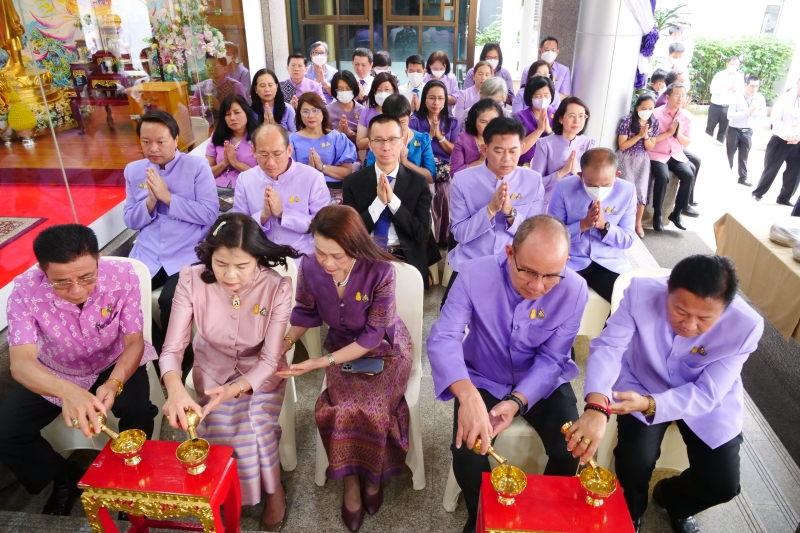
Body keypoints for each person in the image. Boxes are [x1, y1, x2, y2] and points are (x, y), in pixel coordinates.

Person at [567, 254, 763, 533]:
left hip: (705, 400)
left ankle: (673, 499)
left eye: (705, 318)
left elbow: (709, 393)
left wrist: (651, 405)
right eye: (680, 311)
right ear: (668, 287)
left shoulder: (746, 326)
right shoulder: (640, 293)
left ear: (726, 307)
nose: (690, 325)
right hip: (643, 382)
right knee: (634, 462)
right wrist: (597, 406)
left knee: (723, 484)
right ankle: (630, 513)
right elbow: (609, 347)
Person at [429, 215, 587, 533]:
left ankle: (545, 515)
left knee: (569, 449)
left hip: (543, 381)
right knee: (468, 453)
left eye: (550, 276)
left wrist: (517, 401)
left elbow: (553, 358)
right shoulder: (474, 274)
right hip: (484, 374)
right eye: (527, 271)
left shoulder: (575, 289)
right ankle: (480, 518)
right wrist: (466, 393)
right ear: (510, 252)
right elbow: (444, 336)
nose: (537, 286)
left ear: (565, 263)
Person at [0, 224, 157, 516]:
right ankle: (66, 477)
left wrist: (114, 384)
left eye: (86, 277)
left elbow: (134, 342)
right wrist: (68, 392)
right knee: (8, 433)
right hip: (56, 371)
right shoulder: (25, 290)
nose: (76, 290)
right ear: (43, 271)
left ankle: (132, 480)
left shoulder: (123, 277)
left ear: (98, 259)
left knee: (137, 412)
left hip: (114, 362)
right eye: (61, 281)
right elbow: (21, 364)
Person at [275, 205, 412, 532]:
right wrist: (286, 343)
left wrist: (319, 363)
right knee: (343, 410)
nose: (327, 262)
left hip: (386, 350)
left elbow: (371, 338)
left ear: (355, 246)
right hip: (341, 346)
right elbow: (305, 313)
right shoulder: (309, 267)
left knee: (373, 409)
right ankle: (352, 482)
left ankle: (374, 478)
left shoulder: (380, 270)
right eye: (321, 252)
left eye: (337, 255)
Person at [159, 213, 298, 531]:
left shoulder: (277, 287)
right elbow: (172, 350)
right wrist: (175, 388)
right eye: (221, 264)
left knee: (251, 427)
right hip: (211, 367)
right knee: (219, 425)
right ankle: (227, 485)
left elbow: (269, 358)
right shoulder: (191, 279)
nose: (230, 275)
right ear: (210, 256)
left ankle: (273, 490)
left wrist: (236, 389)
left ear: (258, 259)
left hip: (260, 372)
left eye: (242, 266)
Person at [123, 111, 218, 353]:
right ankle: (151, 354)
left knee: (170, 300)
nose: (153, 148)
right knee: (126, 297)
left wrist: (167, 197)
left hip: (187, 252)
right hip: (148, 253)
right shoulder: (134, 171)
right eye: (146, 142)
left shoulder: (196, 167)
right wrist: (150, 203)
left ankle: (176, 355)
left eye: (161, 141)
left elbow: (209, 213)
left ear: (176, 139)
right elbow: (130, 220)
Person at [444, 117, 545, 306]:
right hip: (472, 262)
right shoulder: (463, 181)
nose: (507, 159)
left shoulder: (533, 181)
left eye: (513, 151)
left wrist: (509, 212)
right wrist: (490, 210)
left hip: (515, 267)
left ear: (522, 148)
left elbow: (533, 235)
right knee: (449, 315)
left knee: (523, 319)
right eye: (498, 151)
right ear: (484, 149)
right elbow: (459, 234)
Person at [343, 115, 432, 288]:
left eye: (392, 139)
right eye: (379, 140)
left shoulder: (418, 182)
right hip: (366, 255)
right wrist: (378, 204)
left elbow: (421, 233)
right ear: (370, 145)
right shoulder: (353, 182)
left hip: (405, 256)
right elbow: (350, 234)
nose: (386, 147)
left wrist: (392, 201)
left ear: (402, 143)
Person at [548, 148, 636, 302]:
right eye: (592, 185)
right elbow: (552, 236)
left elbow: (627, 239)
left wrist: (605, 226)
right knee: (552, 296)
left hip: (609, 262)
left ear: (617, 175)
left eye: (605, 185)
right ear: (581, 176)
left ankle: (608, 328)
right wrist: (583, 224)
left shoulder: (627, 191)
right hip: (572, 260)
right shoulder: (563, 188)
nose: (599, 190)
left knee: (627, 300)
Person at [233, 124, 330, 257]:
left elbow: (322, 225)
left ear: (289, 150)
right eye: (263, 154)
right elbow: (238, 226)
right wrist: (263, 216)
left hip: (301, 255)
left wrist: (283, 213)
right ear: (253, 151)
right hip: (259, 255)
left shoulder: (312, 177)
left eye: (277, 154)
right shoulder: (245, 179)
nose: (270, 163)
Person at [410, 80, 460, 244]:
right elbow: (411, 150)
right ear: (424, 99)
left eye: (440, 98)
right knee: (424, 188)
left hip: (444, 170)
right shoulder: (415, 121)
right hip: (420, 166)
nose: (436, 102)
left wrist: (440, 137)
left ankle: (442, 237)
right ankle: (424, 236)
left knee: (445, 191)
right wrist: (429, 136)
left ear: (445, 100)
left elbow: (455, 151)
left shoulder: (452, 122)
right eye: (432, 98)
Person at [531, 96, 597, 211]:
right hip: (549, 204)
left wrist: (575, 172)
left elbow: (594, 183)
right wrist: (562, 172)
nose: (577, 120)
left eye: (581, 116)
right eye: (572, 116)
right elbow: (536, 183)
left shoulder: (589, 144)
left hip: (578, 205)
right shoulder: (545, 144)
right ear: (561, 119)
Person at [649, 82, 697, 232]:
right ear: (668, 96)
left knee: (689, 174)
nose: (680, 99)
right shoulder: (656, 113)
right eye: (677, 95)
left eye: (683, 96)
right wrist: (669, 133)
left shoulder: (686, 116)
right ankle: (657, 213)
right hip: (657, 153)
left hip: (676, 154)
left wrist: (678, 133)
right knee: (663, 177)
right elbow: (650, 139)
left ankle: (676, 213)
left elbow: (687, 142)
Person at [290, 93, 358, 190]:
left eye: (315, 110)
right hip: (303, 187)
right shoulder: (292, 140)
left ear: (323, 112)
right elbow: (287, 173)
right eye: (305, 111)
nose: (311, 115)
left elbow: (347, 172)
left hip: (332, 187)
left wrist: (322, 167)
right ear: (299, 115)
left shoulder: (337, 138)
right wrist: (308, 171)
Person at [366, 94, 435, 184]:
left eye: (402, 122)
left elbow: (431, 178)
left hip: (414, 190)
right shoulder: (378, 141)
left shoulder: (422, 140)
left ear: (409, 117)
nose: (398, 127)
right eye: (393, 123)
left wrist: (406, 163)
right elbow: (368, 174)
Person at [617, 93, 659, 238]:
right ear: (636, 108)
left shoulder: (654, 122)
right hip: (626, 158)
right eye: (643, 108)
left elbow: (650, 147)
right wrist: (639, 135)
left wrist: (646, 136)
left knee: (641, 190)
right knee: (626, 188)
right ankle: (621, 221)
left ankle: (637, 223)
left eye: (650, 108)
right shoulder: (627, 121)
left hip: (642, 159)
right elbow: (622, 145)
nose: (647, 111)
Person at [752, 78, 800, 205]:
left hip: (797, 141)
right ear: (797, 83)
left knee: (794, 172)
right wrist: (786, 134)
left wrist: (797, 136)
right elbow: (775, 118)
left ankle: (784, 198)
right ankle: (758, 193)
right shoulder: (786, 98)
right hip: (780, 139)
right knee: (771, 168)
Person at [205, 94, 259, 188]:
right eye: (228, 114)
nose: (232, 118)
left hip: (247, 188)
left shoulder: (260, 137)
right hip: (216, 187)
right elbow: (206, 173)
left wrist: (236, 163)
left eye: (237, 112)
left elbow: (263, 176)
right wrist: (224, 163)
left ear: (246, 112)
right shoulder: (217, 136)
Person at [726, 75, 766, 187]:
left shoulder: (760, 98)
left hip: (748, 131)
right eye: (752, 86)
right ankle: (725, 174)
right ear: (746, 85)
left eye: (757, 86)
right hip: (734, 129)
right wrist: (747, 112)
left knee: (744, 155)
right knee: (730, 153)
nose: (754, 88)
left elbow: (763, 115)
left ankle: (743, 177)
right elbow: (730, 115)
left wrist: (754, 113)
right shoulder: (737, 97)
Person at [451, 99, 504, 176]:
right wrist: (480, 161)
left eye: (494, 122)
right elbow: (454, 173)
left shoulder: (505, 139)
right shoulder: (463, 139)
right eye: (483, 122)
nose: (489, 126)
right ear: (474, 121)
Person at [191, 57, 249, 126]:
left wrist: (219, 107)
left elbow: (245, 110)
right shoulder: (201, 87)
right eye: (207, 66)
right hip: (205, 127)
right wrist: (207, 108)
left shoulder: (236, 86)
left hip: (229, 126)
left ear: (224, 68)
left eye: (213, 65)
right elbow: (192, 109)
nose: (209, 68)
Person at [514, 76, 555, 166]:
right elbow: (516, 149)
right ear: (530, 97)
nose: (542, 99)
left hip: (550, 165)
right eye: (538, 96)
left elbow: (561, 145)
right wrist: (539, 130)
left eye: (546, 95)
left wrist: (549, 131)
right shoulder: (519, 117)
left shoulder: (557, 115)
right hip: (525, 165)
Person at [355, 72, 399, 150]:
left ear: (394, 91)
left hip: (393, 157)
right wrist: (378, 138)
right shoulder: (366, 112)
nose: (382, 93)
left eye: (387, 90)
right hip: (371, 159)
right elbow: (360, 143)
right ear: (374, 92)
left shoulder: (399, 112)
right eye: (379, 90)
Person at [706, 57, 744, 144]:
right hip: (716, 106)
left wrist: (734, 90)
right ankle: (706, 146)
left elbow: (740, 93)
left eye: (736, 65)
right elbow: (712, 90)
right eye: (732, 64)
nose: (734, 66)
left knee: (723, 131)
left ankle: (718, 148)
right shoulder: (719, 75)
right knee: (710, 128)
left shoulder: (739, 77)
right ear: (727, 64)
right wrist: (727, 89)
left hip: (729, 107)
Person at [251, 68, 297, 132]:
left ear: (277, 86)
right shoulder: (250, 111)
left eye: (270, 85)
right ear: (255, 89)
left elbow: (295, 136)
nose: (267, 89)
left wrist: (274, 125)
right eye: (262, 86)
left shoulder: (288, 109)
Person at [327, 70, 365, 145]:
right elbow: (324, 140)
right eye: (340, 89)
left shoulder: (363, 111)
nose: (344, 92)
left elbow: (364, 141)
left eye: (348, 89)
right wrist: (338, 131)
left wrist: (349, 132)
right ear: (335, 90)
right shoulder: (327, 111)